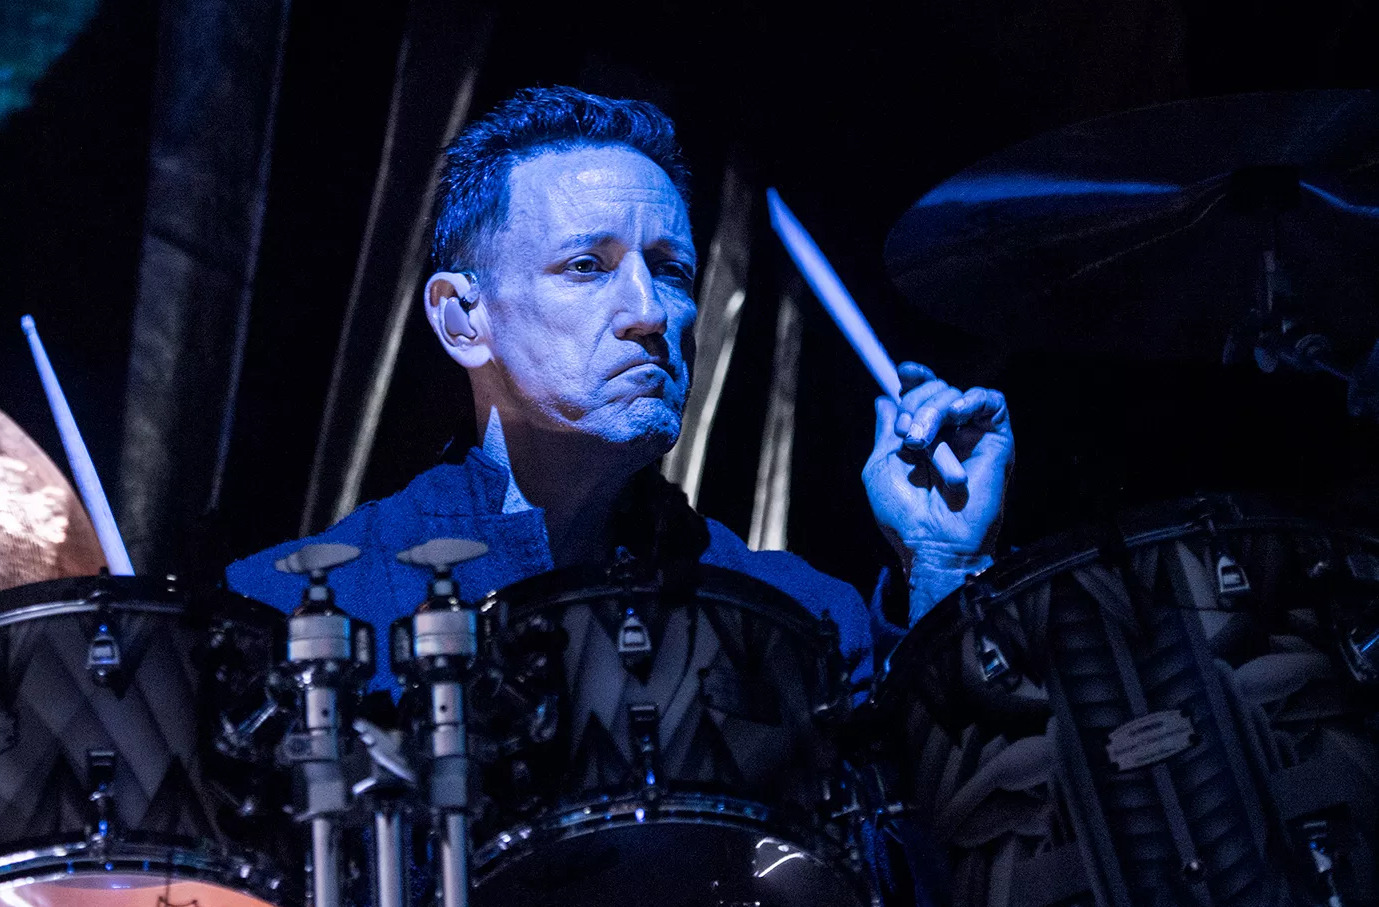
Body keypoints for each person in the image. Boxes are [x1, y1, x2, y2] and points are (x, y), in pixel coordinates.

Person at [227, 85, 1014, 693]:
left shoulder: (797, 621)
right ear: (464, 319)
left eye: (670, 270)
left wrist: (942, 560)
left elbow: (950, 834)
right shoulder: (291, 615)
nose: (651, 312)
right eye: (587, 266)